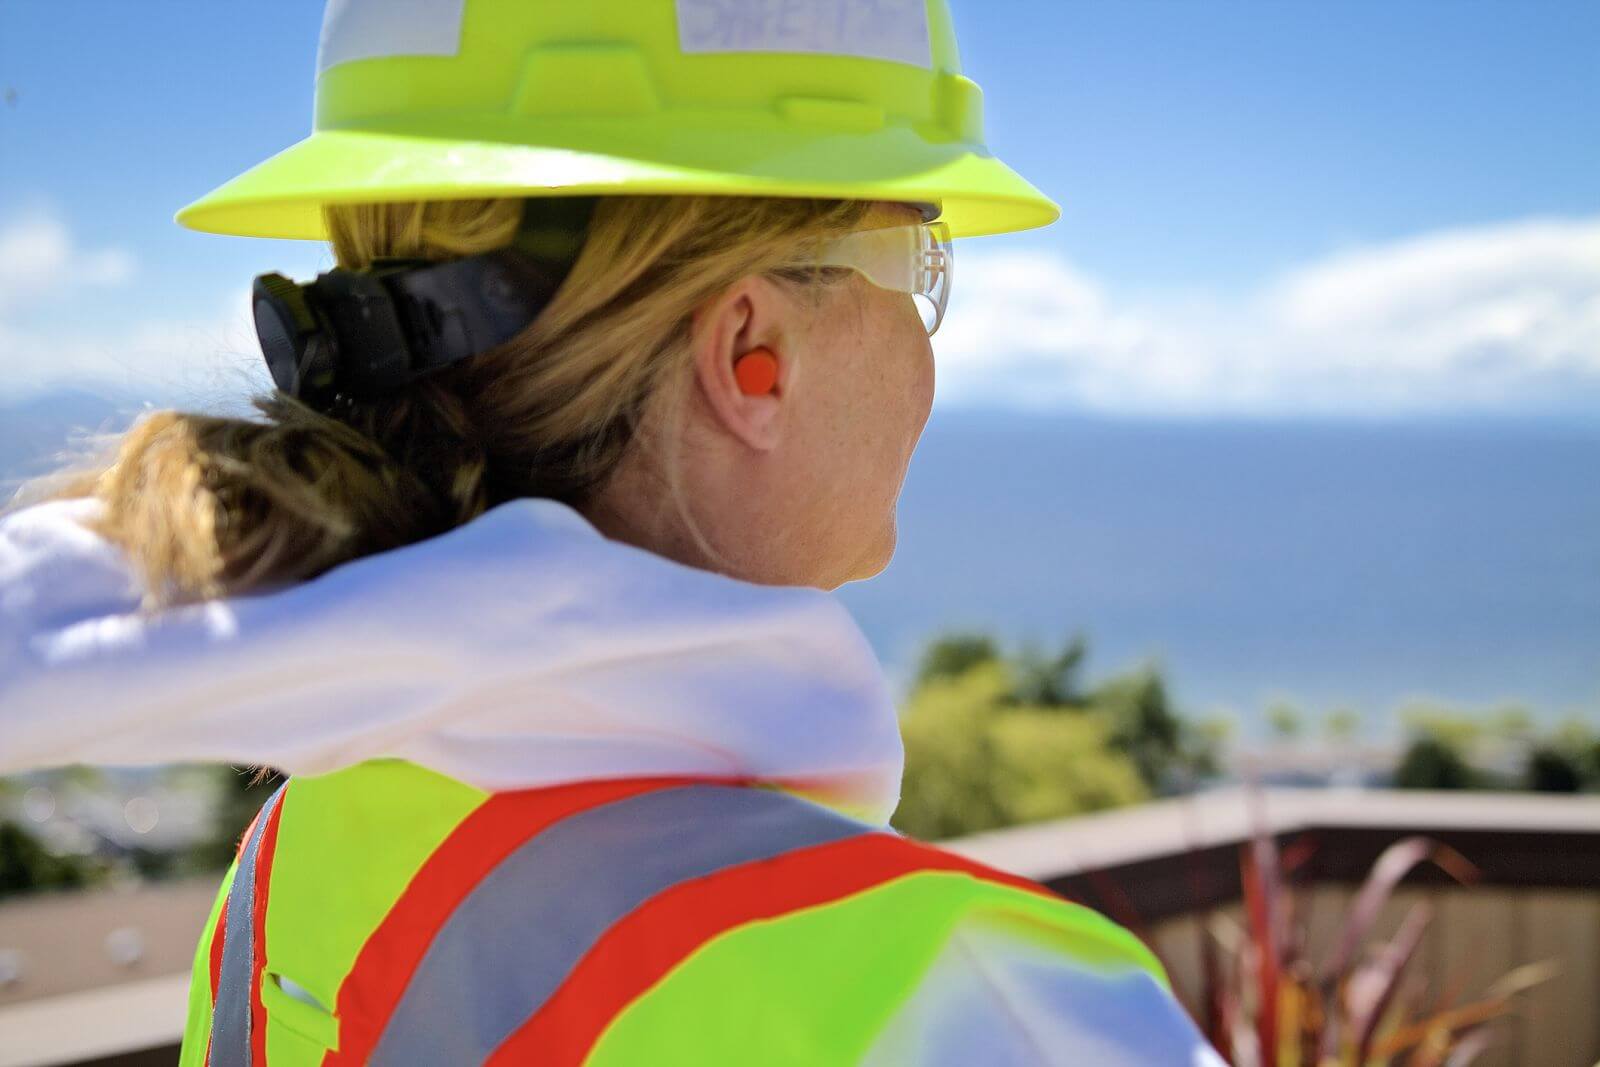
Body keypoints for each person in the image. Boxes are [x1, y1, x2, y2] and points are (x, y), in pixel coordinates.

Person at [1, 2, 1226, 1063]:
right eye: (922, 259)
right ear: (755, 354)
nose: (924, 337)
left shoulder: (298, 858)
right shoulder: (989, 1011)